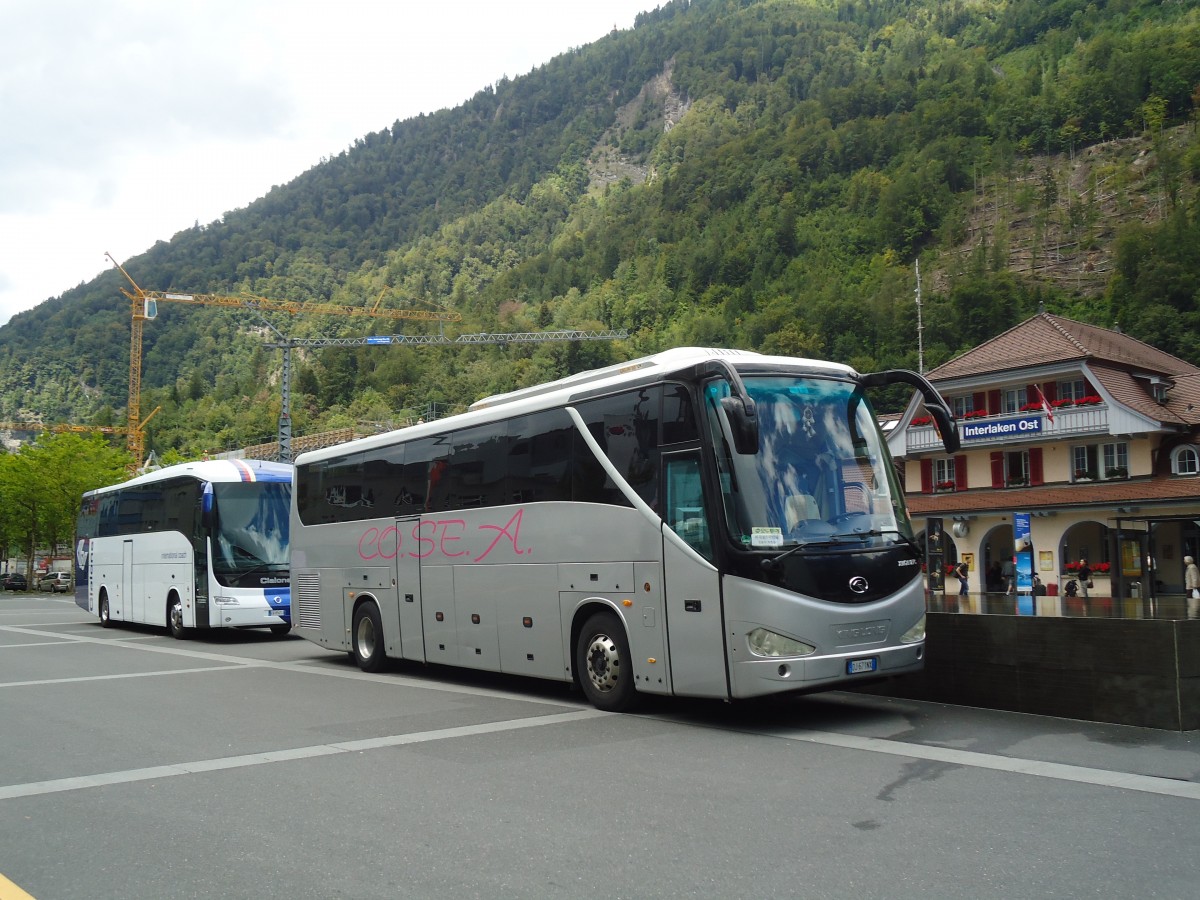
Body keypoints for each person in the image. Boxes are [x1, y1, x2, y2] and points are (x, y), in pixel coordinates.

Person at [1185, 555, 1199, 620]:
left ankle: (1193, 614)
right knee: (1190, 600)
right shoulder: (1189, 567)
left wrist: (1194, 586)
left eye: (1185, 560)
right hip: (1189, 586)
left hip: (1191, 587)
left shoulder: (1192, 567)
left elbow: (1194, 577)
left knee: (1192, 600)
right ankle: (1192, 613)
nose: (1184, 561)